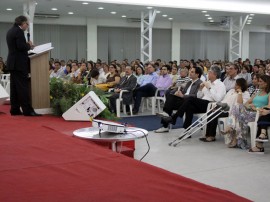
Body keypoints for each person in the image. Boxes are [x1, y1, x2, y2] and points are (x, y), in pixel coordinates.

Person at [161, 65, 226, 134]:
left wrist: (209, 88)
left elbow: (218, 99)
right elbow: (199, 96)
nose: (208, 74)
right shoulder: (207, 82)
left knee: (190, 99)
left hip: (210, 104)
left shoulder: (220, 84)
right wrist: (201, 89)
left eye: (209, 72)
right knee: (189, 106)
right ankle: (187, 130)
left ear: (215, 74)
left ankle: (174, 117)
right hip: (202, 102)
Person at [6, 15, 41, 116]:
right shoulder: (19, 31)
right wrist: (29, 45)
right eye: (27, 24)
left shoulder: (10, 31)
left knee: (14, 88)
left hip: (12, 63)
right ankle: (27, 110)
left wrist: (26, 45)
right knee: (22, 88)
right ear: (22, 23)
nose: (27, 26)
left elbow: (17, 46)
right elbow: (21, 47)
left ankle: (15, 109)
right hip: (19, 64)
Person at [200, 78, 250, 144]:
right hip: (223, 106)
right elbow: (224, 100)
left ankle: (212, 136)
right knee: (211, 112)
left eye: (237, 85)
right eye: (235, 84)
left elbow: (241, 104)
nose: (235, 86)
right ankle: (207, 134)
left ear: (242, 86)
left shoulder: (245, 93)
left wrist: (239, 92)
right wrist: (217, 105)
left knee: (215, 114)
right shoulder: (231, 91)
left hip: (231, 110)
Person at [154, 66, 203, 133]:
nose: (190, 73)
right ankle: (166, 121)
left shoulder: (200, 83)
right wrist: (179, 93)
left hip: (191, 102)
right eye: (190, 71)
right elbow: (184, 91)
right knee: (171, 96)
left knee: (170, 102)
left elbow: (196, 96)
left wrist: (183, 95)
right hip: (183, 100)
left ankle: (166, 122)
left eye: (192, 72)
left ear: (197, 74)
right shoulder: (189, 82)